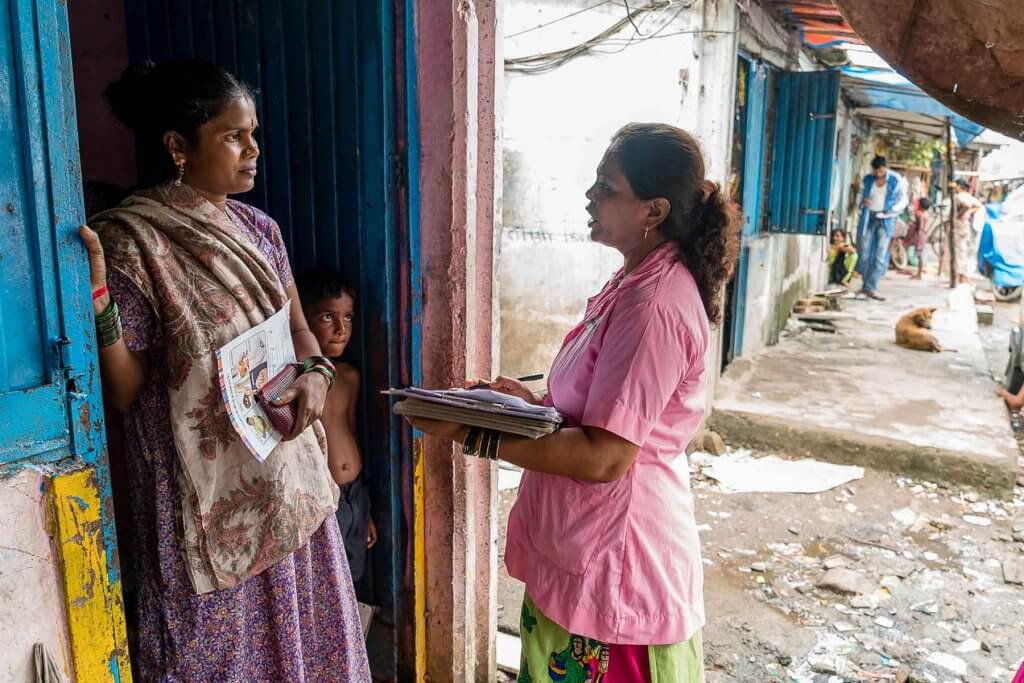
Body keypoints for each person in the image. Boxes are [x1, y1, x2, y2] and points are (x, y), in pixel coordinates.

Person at [406, 122, 740, 682]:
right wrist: (526, 403)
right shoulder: (632, 282)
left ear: (653, 211)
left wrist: (468, 432)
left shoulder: (654, 305)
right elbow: (601, 409)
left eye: (607, 188)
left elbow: (604, 457)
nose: (590, 196)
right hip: (586, 549)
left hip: (620, 571)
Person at [78, 60, 370, 680]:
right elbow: (128, 390)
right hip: (201, 505)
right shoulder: (135, 242)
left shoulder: (260, 230)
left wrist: (315, 373)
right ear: (178, 146)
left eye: (253, 133)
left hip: (284, 484)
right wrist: (100, 303)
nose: (253, 150)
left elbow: (298, 331)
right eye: (234, 135)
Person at [298, 268, 378, 584]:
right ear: (302, 320)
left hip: (354, 494)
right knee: (326, 583)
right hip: (321, 500)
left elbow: (352, 432)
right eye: (328, 318)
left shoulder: (349, 377)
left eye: (348, 317)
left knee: (352, 577)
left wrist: (366, 510)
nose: (341, 329)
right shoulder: (297, 383)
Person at [855, 156, 908, 300]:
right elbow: (859, 195)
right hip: (868, 217)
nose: (878, 173)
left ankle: (871, 287)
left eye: (880, 170)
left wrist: (891, 210)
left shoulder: (895, 180)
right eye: (875, 171)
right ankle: (866, 286)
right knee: (864, 253)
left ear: (885, 167)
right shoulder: (867, 180)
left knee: (880, 254)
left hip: (886, 219)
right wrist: (862, 202)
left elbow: (903, 199)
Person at [952, 179, 984, 285]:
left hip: (959, 224)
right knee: (963, 250)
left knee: (958, 250)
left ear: (959, 186)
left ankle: (959, 275)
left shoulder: (959, 196)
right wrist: (969, 212)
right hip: (965, 225)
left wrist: (960, 215)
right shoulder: (968, 196)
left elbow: (966, 205)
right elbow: (978, 205)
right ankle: (961, 275)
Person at [902, 197, 932, 280]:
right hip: (923, 234)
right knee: (919, 254)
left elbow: (918, 226)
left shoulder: (919, 214)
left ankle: (919, 274)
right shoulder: (926, 214)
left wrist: (914, 226)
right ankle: (919, 273)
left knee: (918, 253)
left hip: (918, 234)